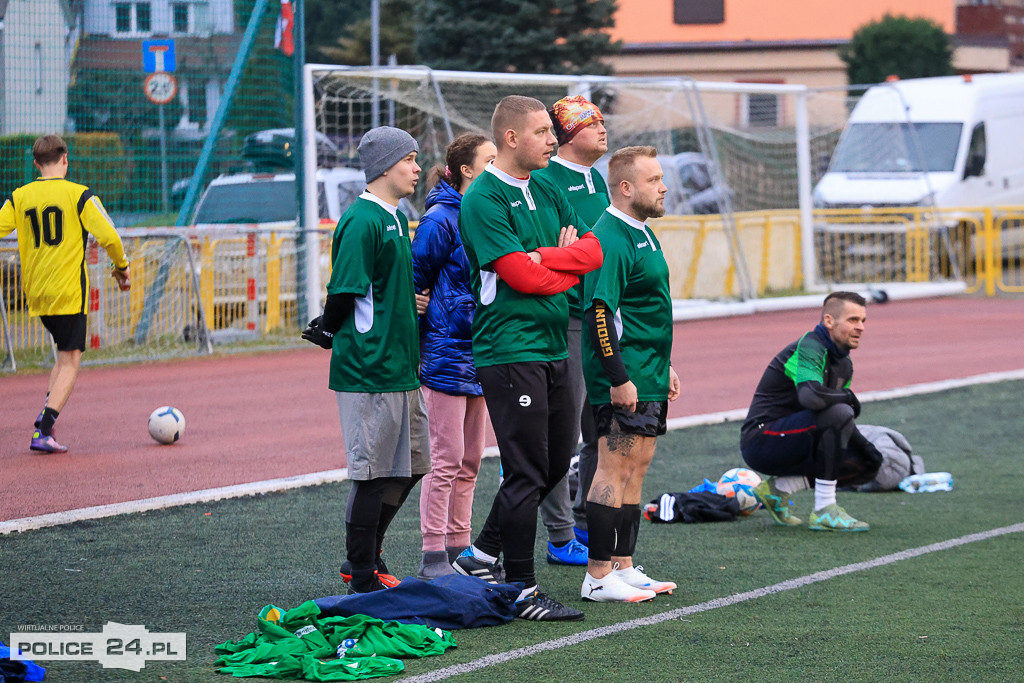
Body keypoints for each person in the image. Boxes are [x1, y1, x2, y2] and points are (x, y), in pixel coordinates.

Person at [453, 95, 603, 621]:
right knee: (525, 471)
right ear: (511, 138)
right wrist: (560, 265)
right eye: (542, 131)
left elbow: (594, 252)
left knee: (555, 464)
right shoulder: (484, 197)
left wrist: (548, 260)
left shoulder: (546, 187)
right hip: (509, 347)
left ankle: (479, 553)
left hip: (554, 343)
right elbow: (521, 276)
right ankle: (521, 588)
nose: (553, 140)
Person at [301, 126, 430, 592]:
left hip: (401, 367)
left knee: (413, 465)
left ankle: (368, 555)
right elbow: (346, 288)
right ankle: (360, 574)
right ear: (385, 166)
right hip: (370, 368)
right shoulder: (362, 219)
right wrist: (328, 327)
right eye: (410, 160)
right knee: (372, 472)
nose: (417, 168)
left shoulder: (395, 217)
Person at [579, 146, 681, 602]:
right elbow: (599, 313)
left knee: (636, 470)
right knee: (613, 467)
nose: (663, 187)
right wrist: (618, 377)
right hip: (623, 379)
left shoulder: (642, 231)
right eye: (654, 179)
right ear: (625, 188)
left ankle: (623, 566)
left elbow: (641, 311)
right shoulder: (611, 237)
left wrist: (665, 366)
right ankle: (598, 576)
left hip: (650, 373)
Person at [0, 134, 131, 454]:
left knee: (62, 354)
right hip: (69, 291)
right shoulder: (79, 195)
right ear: (65, 159)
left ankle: (48, 417)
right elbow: (110, 236)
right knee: (72, 360)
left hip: (37, 293)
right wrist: (122, 266)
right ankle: (42, 430)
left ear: (36, 164)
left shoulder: (19, 197)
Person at [412, 133, 497, 579]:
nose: (497, 166)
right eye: (489, 160)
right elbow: (416, 277)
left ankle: (461, 547)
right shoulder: (439, 219)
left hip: (482, 352)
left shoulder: (487, 213)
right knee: (445, 459)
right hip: (446, 354)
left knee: (471, 460)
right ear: (466, 169)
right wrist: (419, 304)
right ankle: (432, 555)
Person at [532, 95, 610, 564]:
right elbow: (577, 247)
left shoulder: (597, 179)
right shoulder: (545, 179)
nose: (603, 129)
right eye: (592, 123)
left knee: (601, 427)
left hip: (601, 314)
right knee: (558, 435)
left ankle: (585, 521)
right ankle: (560, 534)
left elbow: (598, 243)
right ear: (567, 134)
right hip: (568, 320)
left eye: (602, 120)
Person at [740, 291, 883, 532]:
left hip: (798, 436)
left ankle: (779, 490)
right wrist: (848, 397)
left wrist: (868, 450)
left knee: (868, 462)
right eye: (852, 320)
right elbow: (811, 397)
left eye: (863, 321)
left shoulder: (844, 364)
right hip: (761, 440)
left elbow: (838, 422)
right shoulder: (810, 346)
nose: (861, 327)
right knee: (839, 412)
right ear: (829, 321)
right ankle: (825, 509)